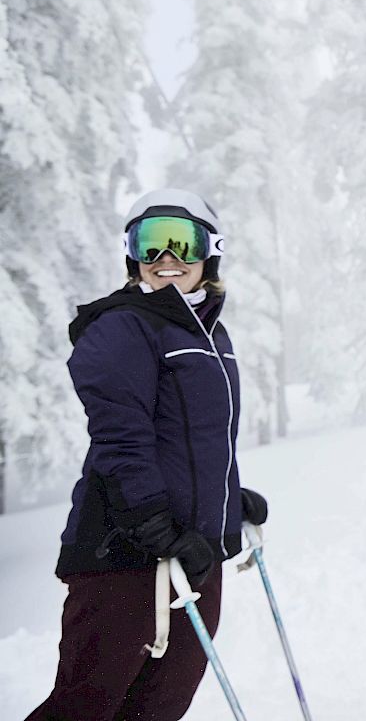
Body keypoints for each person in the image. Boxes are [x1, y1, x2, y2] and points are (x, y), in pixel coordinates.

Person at [26, 188, 268, 721]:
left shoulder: (211, 335)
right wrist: (155, 526)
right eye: (150, 244)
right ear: (132, 254)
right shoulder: (121, 326)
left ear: (211, 253)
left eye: (182, 244)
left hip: (195, 552)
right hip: (125, 554)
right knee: (86, 706)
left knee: (159, 706)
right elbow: (122, 439)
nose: (166, 261)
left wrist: (226, 496)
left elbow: (200, 436)